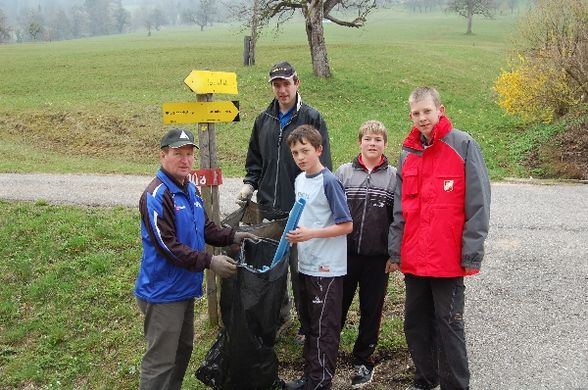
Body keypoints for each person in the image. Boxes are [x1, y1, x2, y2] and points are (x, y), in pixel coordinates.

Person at [134, 127, 256, 390]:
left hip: (185, 288)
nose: (186, 160)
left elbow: (206, 228)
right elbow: (168, 246)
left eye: (189, 154)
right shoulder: (156, 195)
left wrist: (234, 236)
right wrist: (211, 262)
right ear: (163, 155)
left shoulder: (190, 189)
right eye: (178, 153)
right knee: (160, 361)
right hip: (162, 291)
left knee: (182, 351)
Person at [388, 87, 491, 390]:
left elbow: (479, 203)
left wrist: (471, 252)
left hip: (448, 259)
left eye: (427, 111)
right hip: (415, 259)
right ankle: (425, 378)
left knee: (449, 325)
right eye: (416, 113)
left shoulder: (463, 145)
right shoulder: (408, 152)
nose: (422, 118)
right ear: (411, 115)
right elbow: (400, 208)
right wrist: (396, 252)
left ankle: (456, 385)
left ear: (440, 110)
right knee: (416, 324)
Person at [236, 61, 332, 333]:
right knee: (273, 270)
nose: (281, 90)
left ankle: (308, 325)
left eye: (286, 84)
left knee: (302, 271)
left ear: (296, 83)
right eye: (276, 85)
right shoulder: (263, 120)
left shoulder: (312, 118)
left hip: (301, 213)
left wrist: (318, 205)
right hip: (269, 209)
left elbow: (324, 166)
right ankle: (280, 318)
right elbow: (255, 160)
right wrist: (249, 184)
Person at [283, 124, 353, 390]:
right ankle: (310, 377)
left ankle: (320, 382)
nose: (300, 157)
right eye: (295, 153)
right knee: (310, 327)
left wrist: (311, 234)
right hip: (305, 264)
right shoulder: (300, 180)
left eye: (305, 151)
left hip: (328, 268)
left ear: (319, 150)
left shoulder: (330, 181)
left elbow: (347, 225)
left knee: (325, 329)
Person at [334, 120, 397, 389]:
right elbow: (331, 212)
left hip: (378, 258)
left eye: (378, 139)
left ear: (385, 144)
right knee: (337, 305)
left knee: (371, 310)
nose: (373, 143)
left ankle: (363, 357)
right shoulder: (344, 173)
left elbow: (398, 219)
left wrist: (394, 254)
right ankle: (327, 349)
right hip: (345, 255)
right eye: (368, 139)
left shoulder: (394, 176)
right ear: (359, 142)